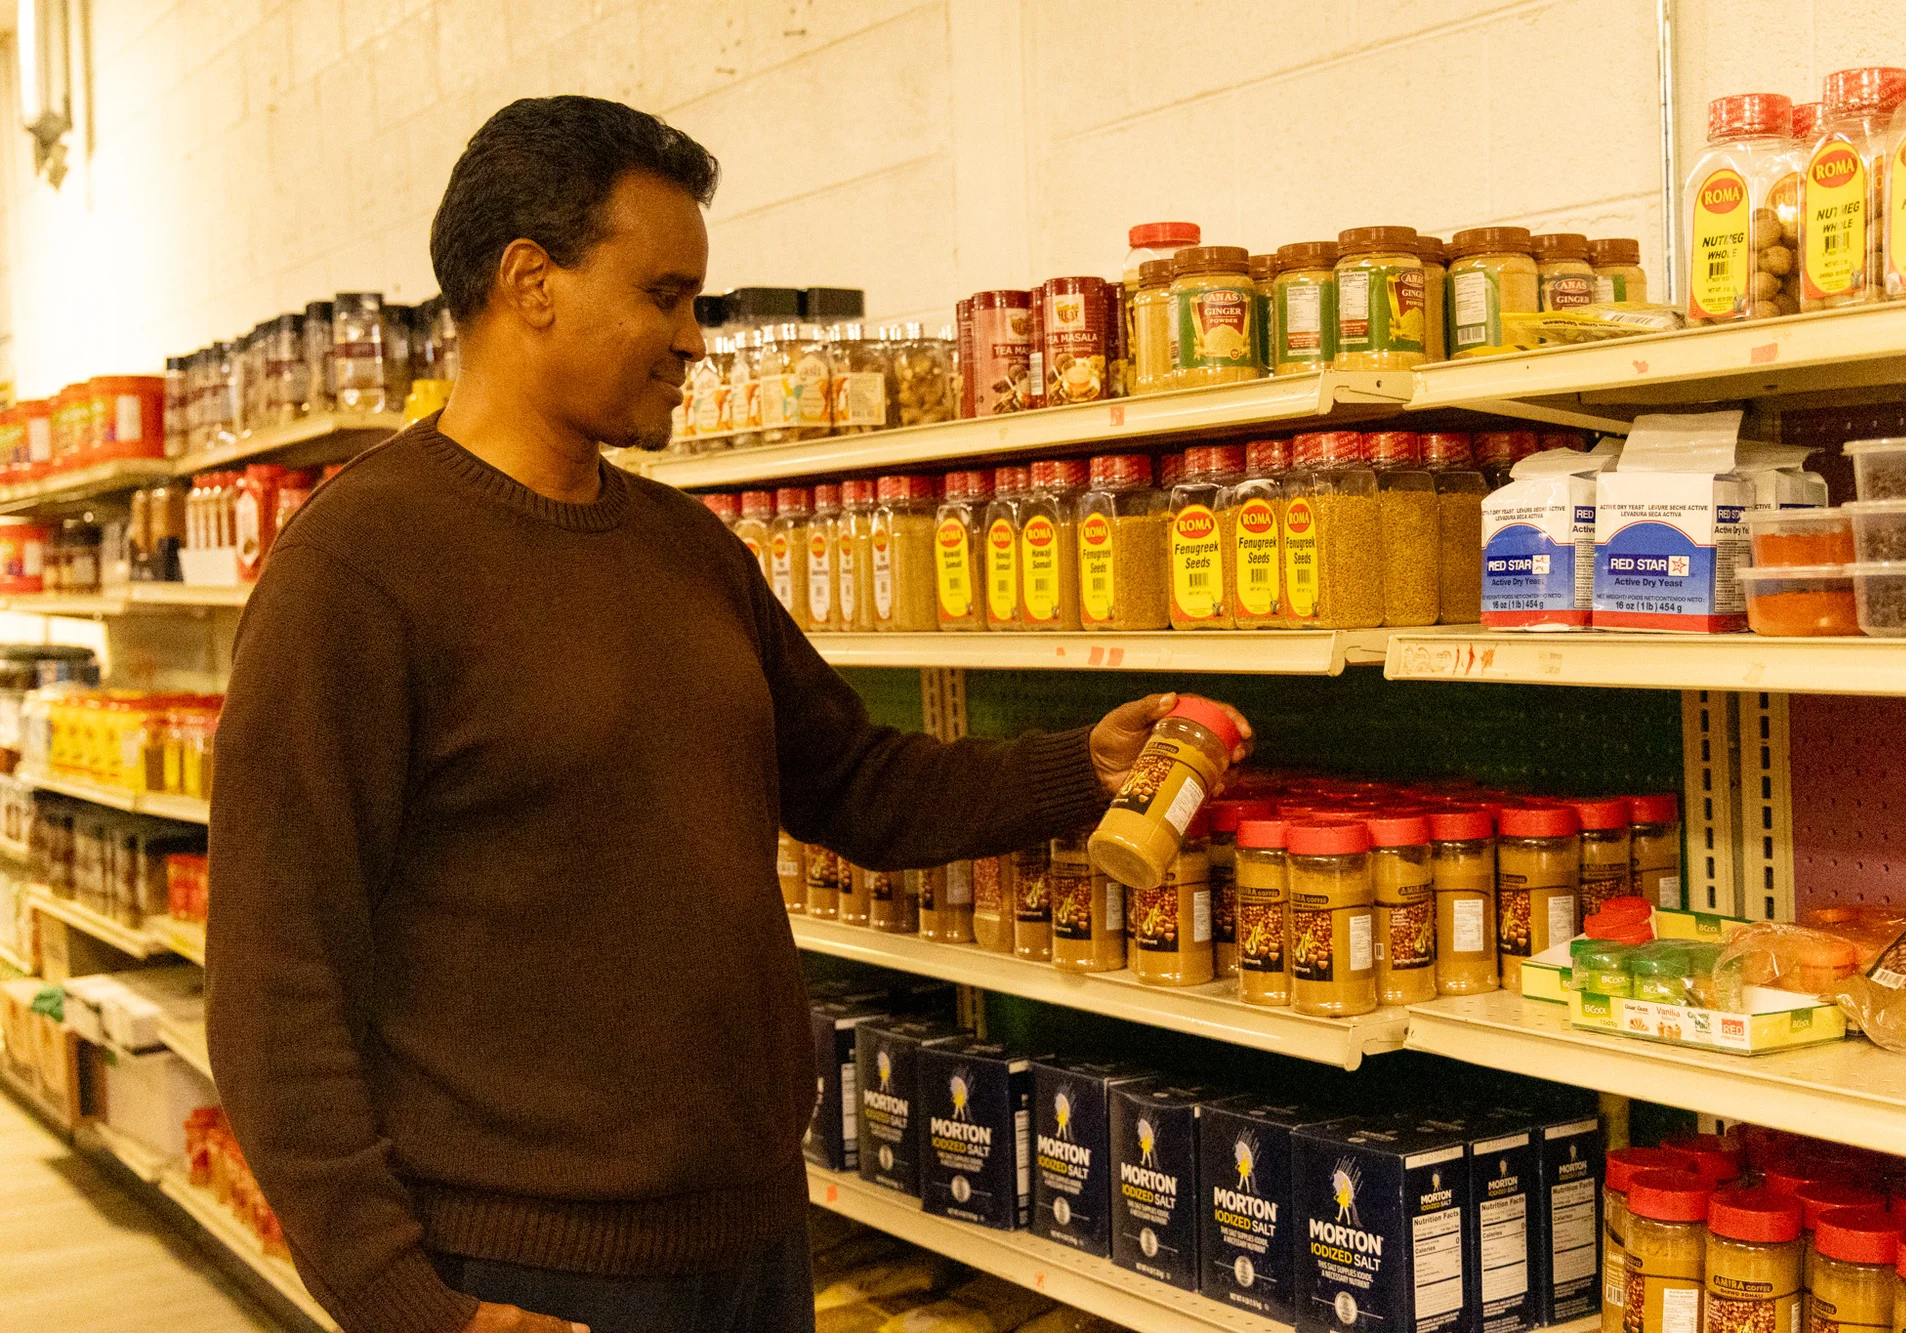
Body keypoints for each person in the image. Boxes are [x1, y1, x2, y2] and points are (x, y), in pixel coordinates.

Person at [204, 95, 1251, 1333]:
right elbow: (274, 979)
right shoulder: (358, 568)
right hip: (520, 1272)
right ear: (529, 282)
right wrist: (405, 1304)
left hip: (748, 1237)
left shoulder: (687, 552)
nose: (694, 338)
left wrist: (1082, 765)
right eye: (664, 295)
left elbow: (857, 782)